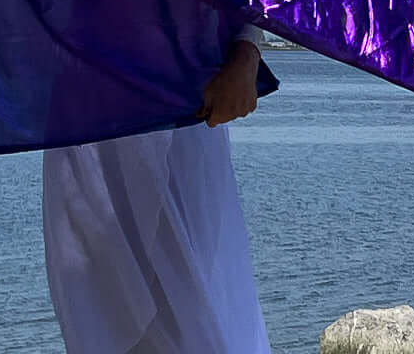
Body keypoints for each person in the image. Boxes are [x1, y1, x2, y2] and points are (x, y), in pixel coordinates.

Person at [42, 24, 271, 354]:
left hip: (184, 105)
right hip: (88, 111)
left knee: (191, 299)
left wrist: (246, 53)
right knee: (100, 305)